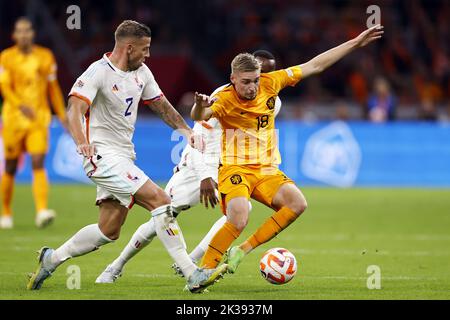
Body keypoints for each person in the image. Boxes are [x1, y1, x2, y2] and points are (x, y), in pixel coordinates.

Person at [26, 20, 227, 293]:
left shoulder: (142, 73)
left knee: (108, 230)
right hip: (101, 155)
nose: (148, 55)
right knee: (161, 200)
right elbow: (74, 109)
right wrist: (82, 142)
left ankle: (52, 258)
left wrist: (184, 129)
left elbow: (160, 104)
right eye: (144, 49)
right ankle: (193, 274)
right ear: (128, 47)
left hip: (123, 156)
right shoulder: (97, 72)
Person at [191, 25, 384, 281]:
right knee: (239, 217)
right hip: (235, 168)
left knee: (298, 203)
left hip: (266, 170)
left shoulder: (272, 82)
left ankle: (241, 251)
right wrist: (197, 105)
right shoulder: (224, 98)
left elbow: (315, 65)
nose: (252, 87)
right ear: (233, 78)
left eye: (256, 80)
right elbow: (200, 116)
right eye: (246, 82)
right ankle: (202, 271)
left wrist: (354, 43)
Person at [95, 50, 282, 283]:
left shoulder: (273, 102)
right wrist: (205, 175)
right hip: (198, 164)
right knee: (163, 214)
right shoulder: (221, 97)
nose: (263, 79)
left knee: (239, 213)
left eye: (268, 73)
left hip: (230, 167)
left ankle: (191, 260)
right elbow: (198, 135)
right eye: (258, 73)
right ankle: (116, 265)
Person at [0, 17, 67, 229]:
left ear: (33, 33)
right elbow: (5, 88)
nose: (24, 34)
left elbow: (53, 89)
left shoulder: (45, 56)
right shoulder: (6, 57)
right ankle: (6, 213)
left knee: (38, 162)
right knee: (10, 167)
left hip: (38, 119)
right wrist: (20, 105)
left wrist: (63, 116)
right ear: (14, 35)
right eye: (20, 31)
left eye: (27, 30)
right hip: (13, 119)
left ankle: (41, 211)